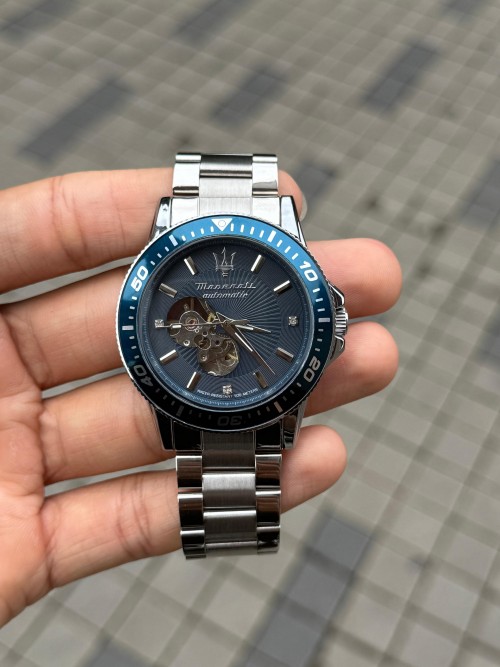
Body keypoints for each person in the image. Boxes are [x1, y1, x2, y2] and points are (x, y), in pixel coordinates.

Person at [0, 169, 401, 626]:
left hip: (236, 389)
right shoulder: (188, 316)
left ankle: (234, 529)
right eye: (214, 323)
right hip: (198, 389)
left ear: (330, 323)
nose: (220, 325)